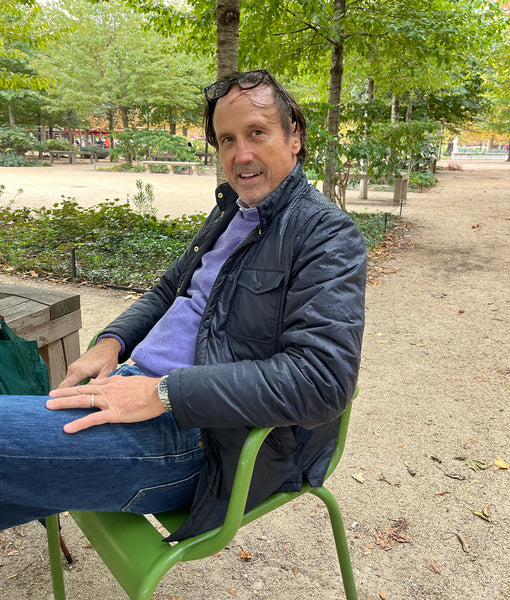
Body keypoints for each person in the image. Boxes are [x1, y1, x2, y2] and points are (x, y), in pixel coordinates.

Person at [0, 69, 366, 540]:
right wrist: (112, 341)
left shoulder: (327, 235)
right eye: (226, 140)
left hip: (202, 435)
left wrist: (164, 393)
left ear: (294, 136)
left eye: (257, 133)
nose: (241, 155)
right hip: (130, 391)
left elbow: (324, 380)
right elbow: (167, 290)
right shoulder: (233, 209)